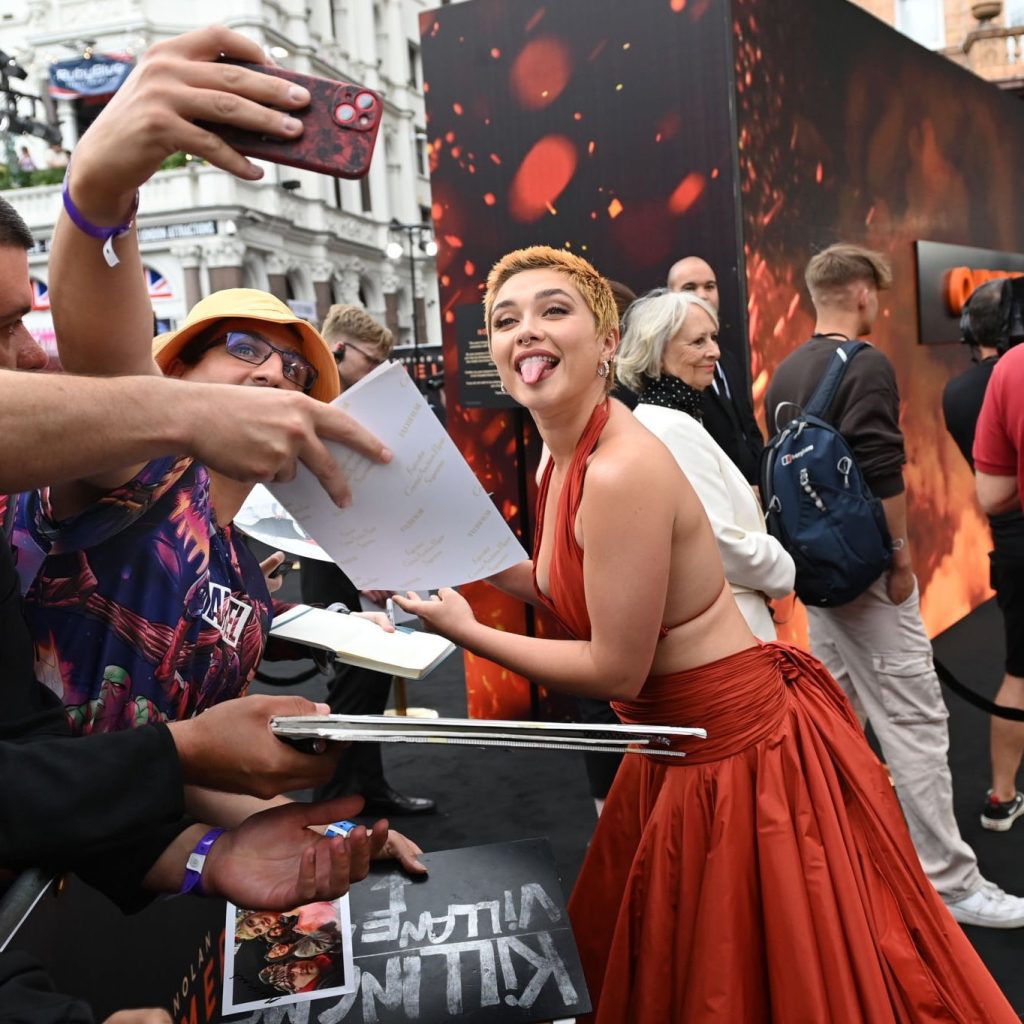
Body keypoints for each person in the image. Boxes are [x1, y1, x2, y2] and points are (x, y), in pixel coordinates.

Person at [396, 245, 1017, 1021]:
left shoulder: (621, 466)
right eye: (505, 319)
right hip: (676, 746)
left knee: (766, 971)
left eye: (554, 310)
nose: (526, 331)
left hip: (734, 755)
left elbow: (616, 669)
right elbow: (564, 588)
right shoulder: (563, 464)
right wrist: (460, 558)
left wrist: (467, 631)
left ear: (609, 341)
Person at [764, 242, 1024, 927]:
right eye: (875, 296)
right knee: (914, 722)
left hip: (817, 576)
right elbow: (882, 469)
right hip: (869, 576)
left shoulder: (789, 368)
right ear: (858, 294)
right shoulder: (865, 363)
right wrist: (902, 557)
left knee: (839, 717)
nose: (878, 308)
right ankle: (951, 882)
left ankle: (849, 856)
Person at [300, 304, 435, 815]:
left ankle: (367, 790)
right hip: (338, 570)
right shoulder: (312, 410)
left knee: (370, 684)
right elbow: (308, 508)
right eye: (372, 360)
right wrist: (362, 565)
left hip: (369, 567)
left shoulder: (353, 407)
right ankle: (333, 807)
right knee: (352, 691)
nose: (380, 371)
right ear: (338, 349)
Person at [617, 289, 794, 639]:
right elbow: (715, 542)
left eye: (713, 338)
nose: (714, 351)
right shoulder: (671, 428)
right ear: (657, 351)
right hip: (730, 629)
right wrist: (782, 563)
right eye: (697, 342)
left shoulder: (664, 419)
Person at [942, 280, 1024, 831]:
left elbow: (991, 489)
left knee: (1018, 671)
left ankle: (1001, 795)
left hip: (1012, 541)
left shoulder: (964, 391)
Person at [666, 255, 764, 484]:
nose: (703, 295)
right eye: (690, 287)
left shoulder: (728, 360)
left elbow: (748, 428)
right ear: (669, 296)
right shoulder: (672, 370)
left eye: (710, 286)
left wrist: (761, 482)